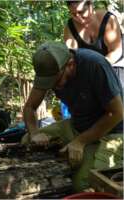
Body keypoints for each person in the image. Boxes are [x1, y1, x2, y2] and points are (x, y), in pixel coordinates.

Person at [21, 41, 123, 192]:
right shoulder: (49, 69)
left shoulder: (94, 65)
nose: (53, 86)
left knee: (84, 184)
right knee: (27, 140)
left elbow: (117, 113)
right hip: (77, 125)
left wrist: (80, 142)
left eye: (55, 81)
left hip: (111, 132)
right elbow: (30, 107)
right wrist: (35, 133)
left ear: (70, 64)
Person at [64, 0, 124, 86]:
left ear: (91, 5)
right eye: (73, 14)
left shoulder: (107, 19)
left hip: (115, 66)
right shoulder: (70, 27)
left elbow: (116, 52)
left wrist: (95, 69)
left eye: (81, 12)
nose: (78, 18)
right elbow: (72, 56)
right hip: (88, 72)